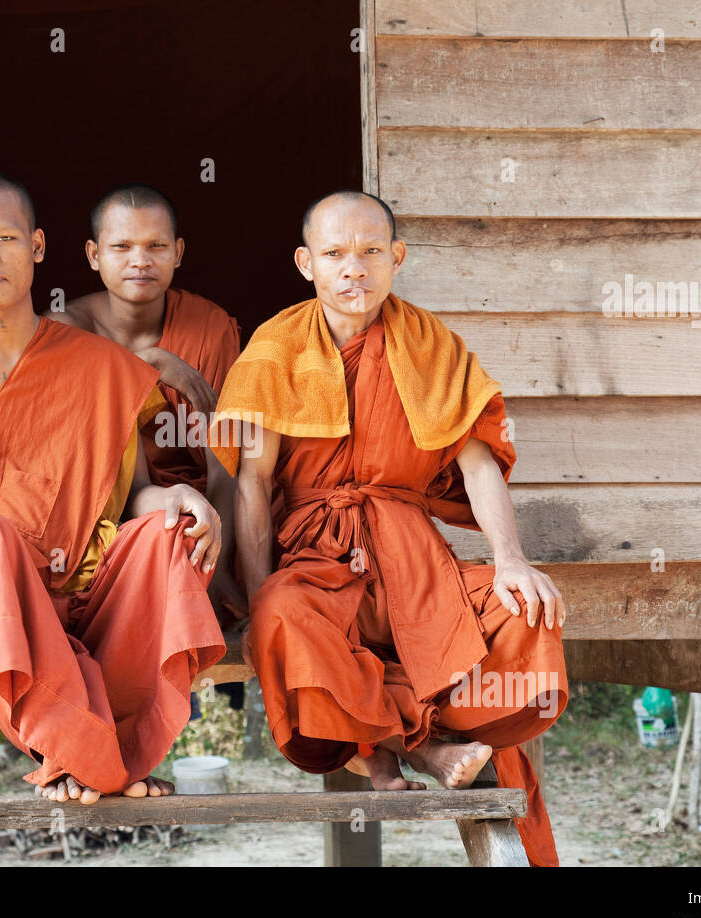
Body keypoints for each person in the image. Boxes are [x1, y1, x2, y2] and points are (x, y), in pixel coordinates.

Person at [210, 190, 569, 865]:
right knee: (284, 617)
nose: (355, 269)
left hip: (413, 561)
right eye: (335, 254)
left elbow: (478, 464)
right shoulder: (275, 347)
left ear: (396, 257)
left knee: (526, 614)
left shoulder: (431, 344)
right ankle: (422, 745)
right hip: (315, 559)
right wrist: (258, 591)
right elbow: (253, 486)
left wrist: (512, 560)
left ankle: (379, 740)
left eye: (372, 252)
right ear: (305, 263)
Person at [0, 171, 226, 805]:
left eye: (5, 238)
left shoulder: (99, 366)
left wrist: (180, 501)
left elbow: (132, 502)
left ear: (38, 247)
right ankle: (91, 756)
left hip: (79, 580)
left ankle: (91, 755)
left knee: (164, 535)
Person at [58, 184, 247, 624]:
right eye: (121, 246)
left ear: (178, 252)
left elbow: (227, 460)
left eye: (156, 246)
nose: (140, 260)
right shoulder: (66, 327)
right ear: (93, 254)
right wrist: (149, 364)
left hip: (200, 509)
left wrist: (216, 568)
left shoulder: (210, 325)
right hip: (107, 510)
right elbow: (77, 447)